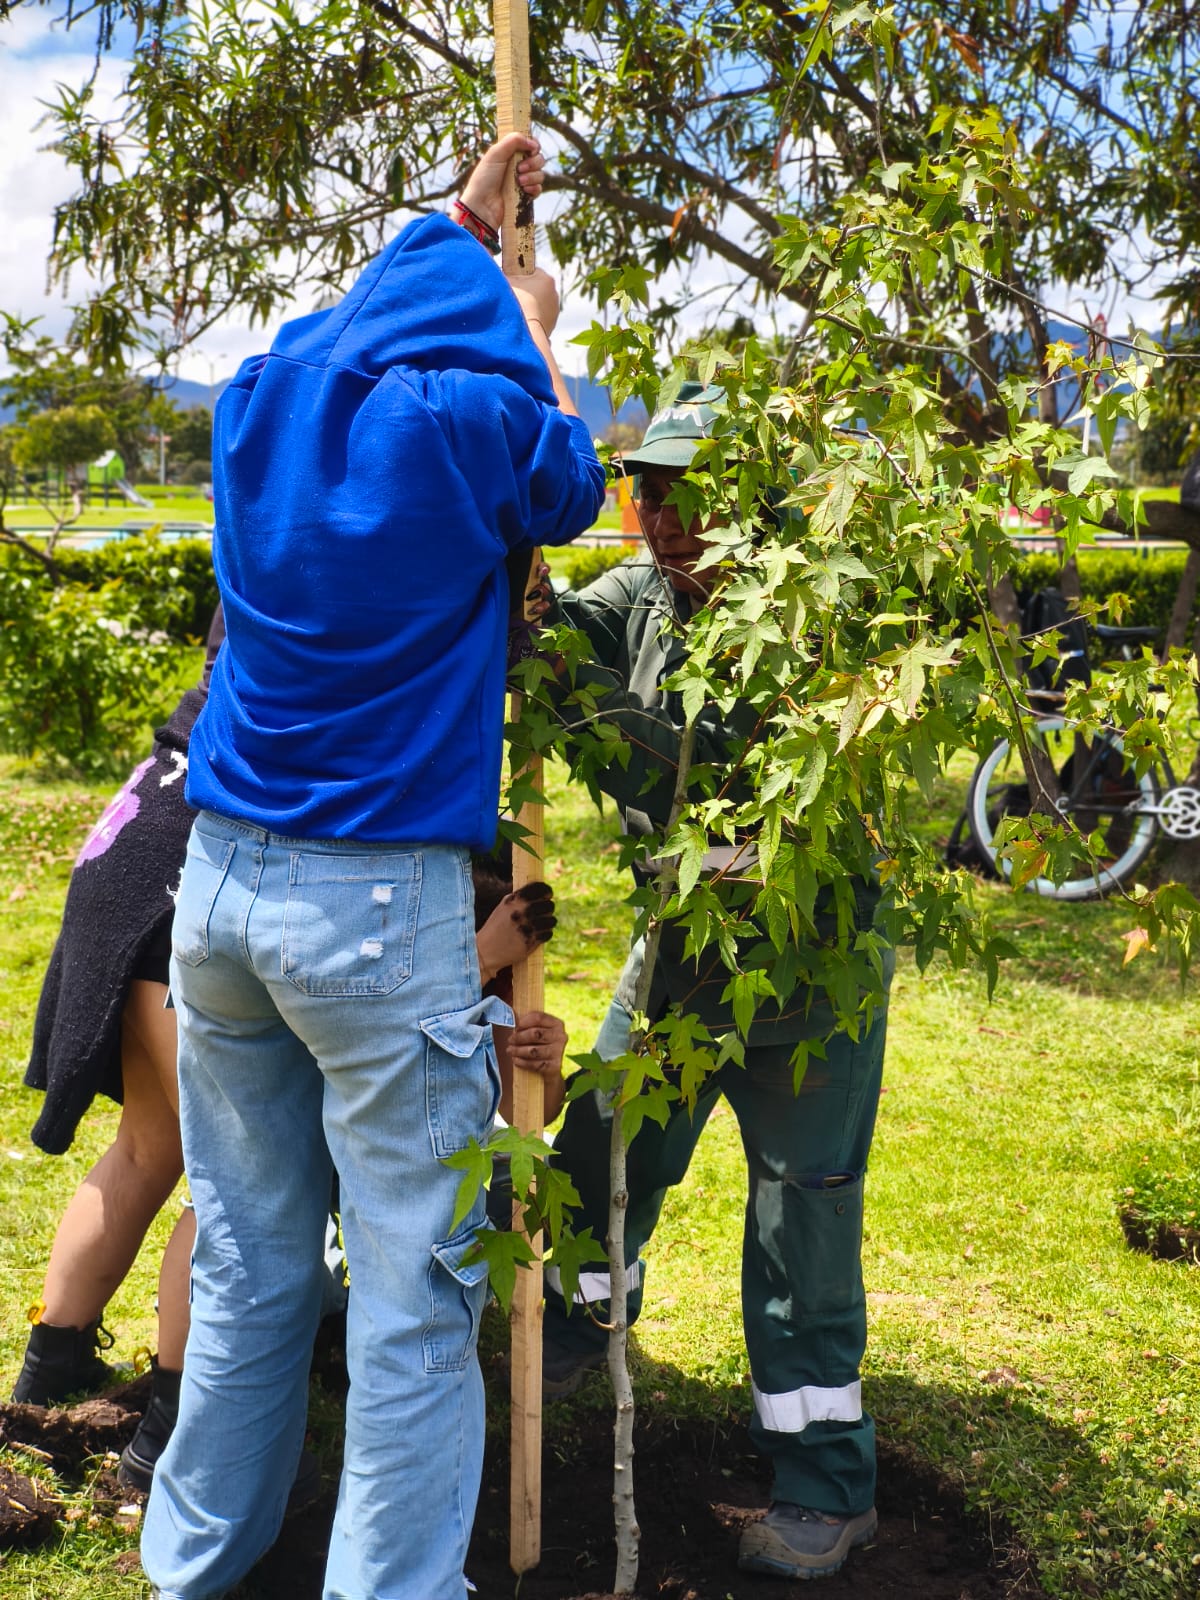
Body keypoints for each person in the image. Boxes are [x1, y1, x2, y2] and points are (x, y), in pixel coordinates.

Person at [139, 131, 604, 1600]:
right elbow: (572, 485)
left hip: (221, 890)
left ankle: (192, 1569)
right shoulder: (472, 419)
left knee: (247, 1261)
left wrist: (462, 219)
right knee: (414, 1297)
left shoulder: (257, 402)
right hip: (371, 903)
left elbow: (348, 325)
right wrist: (536, 329)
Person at [536, 383, 892, 1583]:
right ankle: (579, 1331)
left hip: (811, 974)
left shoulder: (818, 620)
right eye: (654, 492)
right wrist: (520, 591)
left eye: (703, 495)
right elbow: (549, 640)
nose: (673, 518)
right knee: (600, 1144)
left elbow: (746, 791)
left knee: (803, 1225)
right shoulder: (638, 598)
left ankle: (826, 1483)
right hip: (681, 958)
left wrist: (581, 700)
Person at [13, 614, 224, 1498]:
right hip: (181, 874)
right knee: (233, 1177)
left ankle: (50, 1367)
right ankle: (165, 1429)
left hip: (133, 840)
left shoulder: (271, 559)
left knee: (151, 1143)